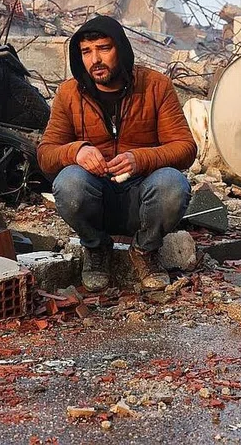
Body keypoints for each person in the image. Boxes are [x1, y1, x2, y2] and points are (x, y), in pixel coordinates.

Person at [37, 15, 197, 292]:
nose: (94, 59)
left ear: (121, 49)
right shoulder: (68, 93)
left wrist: (141, 159)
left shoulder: (155, 86)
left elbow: (185, 148)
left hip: (142, 198)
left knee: (173, 183)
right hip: (95, 199)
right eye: (86, 52)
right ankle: (97, 249)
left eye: (103, 48)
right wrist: (77, 151)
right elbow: (46, 155)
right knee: (68, 182)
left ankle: (145, 251)